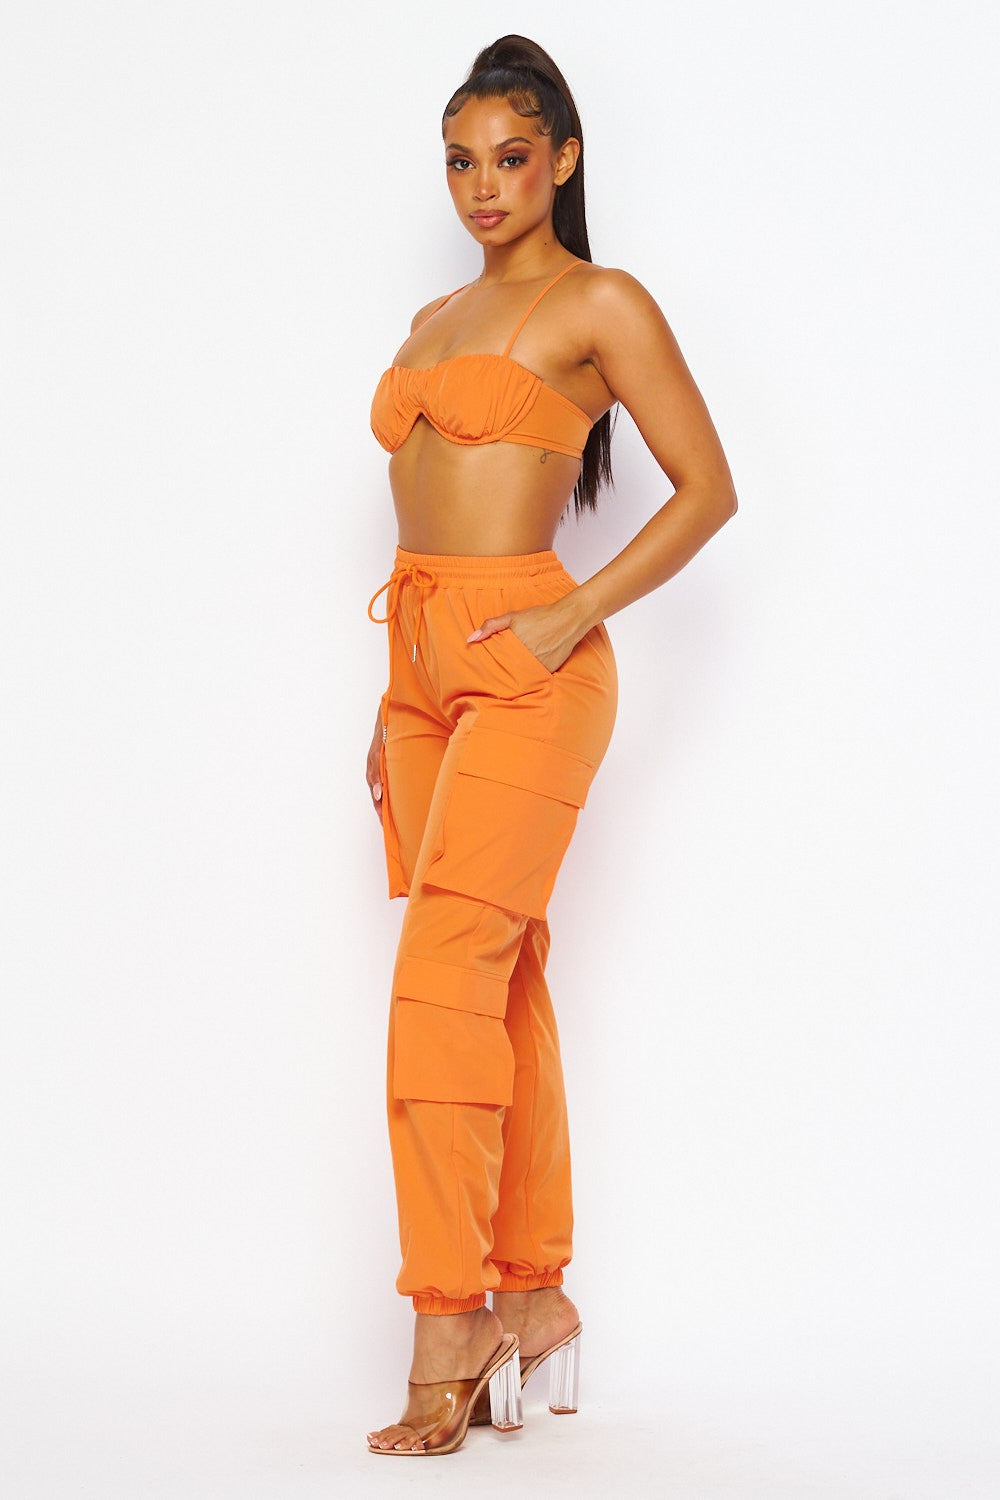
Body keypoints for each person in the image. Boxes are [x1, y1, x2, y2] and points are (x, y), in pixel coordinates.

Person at [363, 34, 738, 1456]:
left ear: (563, 159)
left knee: (439, 978)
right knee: (497, 971)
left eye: (511, 157)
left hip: (531, 662)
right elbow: (420, 516)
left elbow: (708, 490)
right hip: (416, 671)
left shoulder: (600, 301)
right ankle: (535, 1292)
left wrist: (572, 613)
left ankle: (448, 1319)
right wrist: (390, 696)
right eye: (461, 161)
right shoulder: (430, 317)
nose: (483, 186)